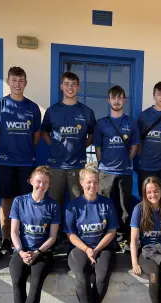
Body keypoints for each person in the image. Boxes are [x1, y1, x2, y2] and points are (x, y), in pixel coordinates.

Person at [4, 166, 60, 303]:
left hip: (42, 253)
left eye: (45, 182)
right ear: (31, 181)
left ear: (49, 184)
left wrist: (37, 252)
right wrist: (21, 251)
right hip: (21, 250)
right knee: (17, 280)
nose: (41, 185)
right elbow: (14, 232)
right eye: (38, 181)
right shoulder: (19, 201)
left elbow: (53, 236)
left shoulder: (53, 206)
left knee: (36, 284)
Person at [0, 66, 42, 255]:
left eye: (21, 81)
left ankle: (25, 238)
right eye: (14, 80)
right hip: (5, 162)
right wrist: (2, 149)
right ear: (8, 82)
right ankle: (6, 239)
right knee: (7, 200)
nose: (17, 84)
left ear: (25, 83)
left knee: (28, 201)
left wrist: (26, 150)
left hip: (27, 162)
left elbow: (36, 135)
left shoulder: (33, 107)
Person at [64, 166, 119, 303]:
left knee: (102, 277)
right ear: (81, 183)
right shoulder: (73, 206)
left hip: (103, 247)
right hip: (80, 248)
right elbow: (71, 234)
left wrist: (96, 249)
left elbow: (111, 231)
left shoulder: (107, 204)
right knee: (81, 275)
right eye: (88, 182)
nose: (92, 185)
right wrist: (87, 249)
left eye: (95, 182)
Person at [41, 72, 96, 207]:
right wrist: (54, 146)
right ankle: (55, 229)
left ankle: (74, 229)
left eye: (73, 84)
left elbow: (92, 136)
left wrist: (81, 147)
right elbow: (44, 133)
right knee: (54, 204)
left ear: (78, 87)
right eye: (66, 84)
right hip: (56, 166)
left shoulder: (87, 112)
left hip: (78, 166)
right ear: (61, 87)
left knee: (78, 204)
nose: (69, 87)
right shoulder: (52, 111)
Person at [94, 85, 139, 247]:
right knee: (104, 205)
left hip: (125, 172)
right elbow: (98, 147)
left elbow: (134, 147)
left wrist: (127, 161)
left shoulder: (131, 123)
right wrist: (102, 164)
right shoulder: (101, 123)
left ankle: (122, 237)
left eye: (120, 98)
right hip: (105, 172)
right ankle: (104, 236)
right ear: (109, 100)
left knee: (124, 207)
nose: (117, 101)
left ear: (124, 100)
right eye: (114, 98)